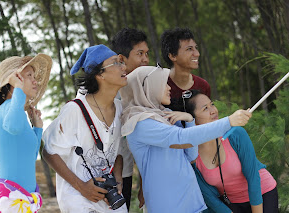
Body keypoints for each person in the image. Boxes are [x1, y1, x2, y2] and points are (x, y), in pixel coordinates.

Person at [120, 65, 252, 213]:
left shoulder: (164, 115)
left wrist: (189, 121)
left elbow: (190, 155)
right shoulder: (140, 124)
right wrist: (228, 122)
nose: (169, 88)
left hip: (192, 203)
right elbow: (179, 138)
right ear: (149, 87)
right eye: (163, 83)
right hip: (169, 207)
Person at [42, 44, 128, 213]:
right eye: (116, 63)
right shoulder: (75, 110)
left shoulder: (121, 109)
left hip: (108, 199)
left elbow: (118, 152)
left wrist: (117, 178)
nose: (124, 66)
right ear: (100, 74)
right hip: (78, 198)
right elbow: (49, 152)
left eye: (122, 62)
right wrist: (81, 187)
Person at [169, 89, 278, 213]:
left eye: (212, 104)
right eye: (205, 108)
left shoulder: (235, 133)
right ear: (192, 120)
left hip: (262, 194)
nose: (213, 111)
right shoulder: (191, 154)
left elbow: (253, 177)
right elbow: (208, 197)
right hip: (231, 203)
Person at [0, 54, 52, 213]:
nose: (35, 81)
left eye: (34, 76)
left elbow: (30, 155)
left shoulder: (17, 112)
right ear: (15, 81)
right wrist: (19, 91)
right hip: (8, 200)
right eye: (29, 76)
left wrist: (37, 127)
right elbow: (14, 126)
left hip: (20, 200)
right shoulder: (8, 108)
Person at [111, 27, 149, 210]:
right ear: (121, 58)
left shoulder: (145, 91)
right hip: (98, 174)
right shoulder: (106, 89)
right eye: (140, 53)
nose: (145, 60)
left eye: (147, 54)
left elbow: (145, 142)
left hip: (125, 173)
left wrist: (143, 184)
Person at [160, 27, 211, 99]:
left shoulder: (203, 86)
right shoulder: (161, 86)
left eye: (196, 48)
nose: (197, 54)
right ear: (173, 56)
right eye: (189, 49)